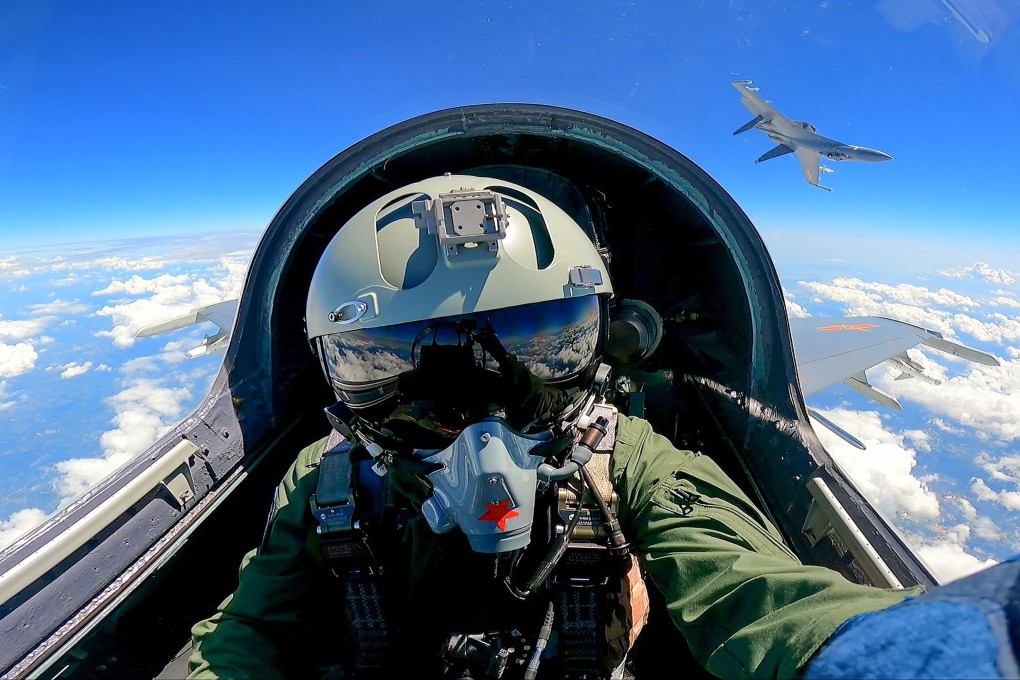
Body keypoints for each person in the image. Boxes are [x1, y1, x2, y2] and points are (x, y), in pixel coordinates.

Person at [187, 173, 1019, 679]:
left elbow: (755, 595)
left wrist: (929, 653)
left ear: (601, 351)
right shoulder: (329, 477)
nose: (483, 421)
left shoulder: (628, 460)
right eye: (404, 369)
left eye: (536, 349)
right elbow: (247, 638)